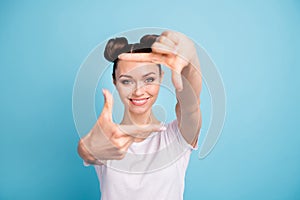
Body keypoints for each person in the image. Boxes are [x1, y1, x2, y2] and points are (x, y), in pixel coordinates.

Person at [77, 30, 202, 200]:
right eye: (127, 81)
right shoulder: (108, 138)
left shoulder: (177, 136)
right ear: (115, 82)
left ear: (161, 77)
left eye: (149, 79)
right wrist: (85, 149)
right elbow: (87, 150)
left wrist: (192, 59)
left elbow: (191, 107)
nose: (138, 91)